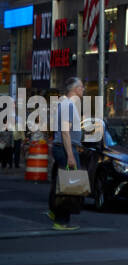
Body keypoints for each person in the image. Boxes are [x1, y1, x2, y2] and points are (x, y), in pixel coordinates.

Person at [48, 77, 85, 231]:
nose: (83, 90)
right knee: (68, 184)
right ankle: (61, 220)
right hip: (65, 148)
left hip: (62, 147)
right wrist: (70, 155)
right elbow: (65, 132)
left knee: (60, 181)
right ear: (75, 89)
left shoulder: (65, 104)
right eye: (82, 87)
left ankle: (54, 211)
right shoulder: (68, 105)